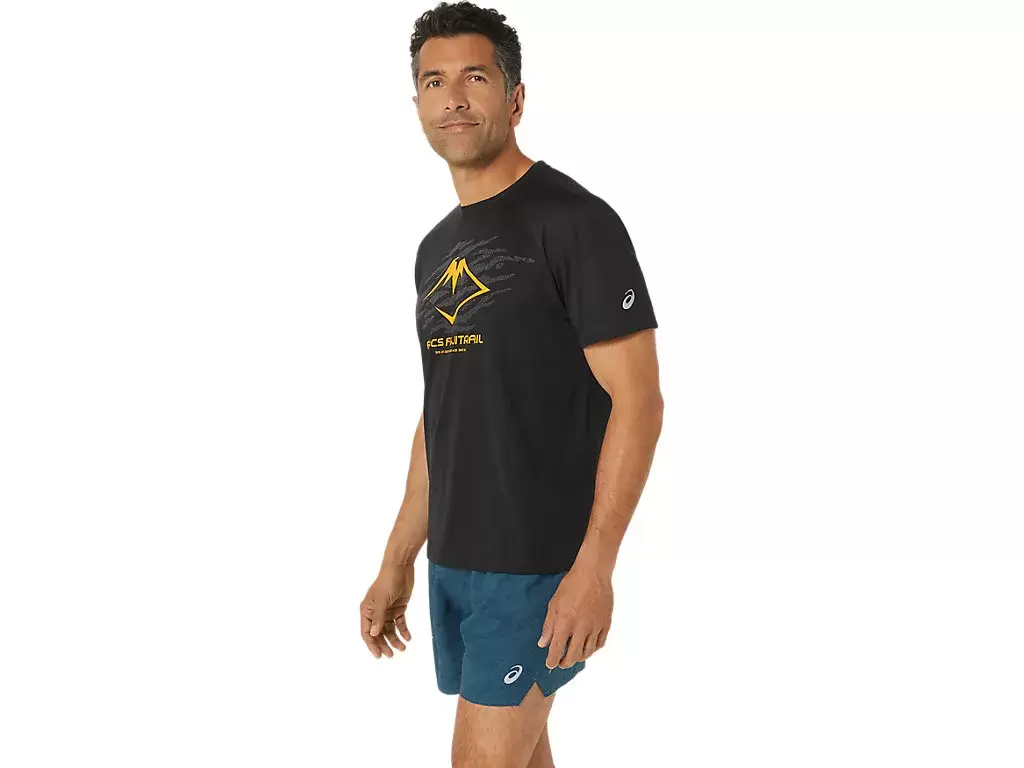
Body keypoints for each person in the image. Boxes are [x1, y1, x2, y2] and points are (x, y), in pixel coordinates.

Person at [359, 2, 664, 765]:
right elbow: (443, 413)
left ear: (515, 97)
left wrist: (596, 567)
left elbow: (639, 401)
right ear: (418, 103)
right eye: (434, 81)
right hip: (458, 559)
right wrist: (398, 557)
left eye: (475, 77)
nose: (453, 98)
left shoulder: (575, 223)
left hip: (535, 566)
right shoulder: (436, 249)